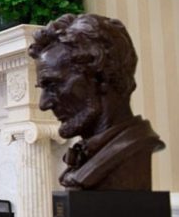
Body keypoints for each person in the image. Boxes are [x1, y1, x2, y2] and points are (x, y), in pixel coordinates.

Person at [28, 13, 164, 190]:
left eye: (53, 85)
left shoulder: (130, 151)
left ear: (102, 76)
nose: (44, 104)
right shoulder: (87, 157)